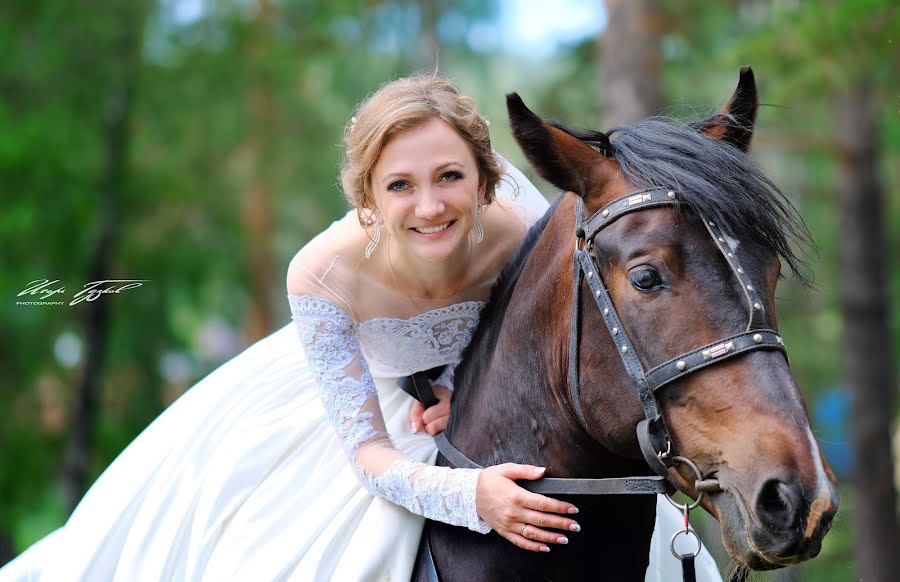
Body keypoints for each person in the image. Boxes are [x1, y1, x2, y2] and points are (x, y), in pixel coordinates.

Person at [1, 75, 721, 581]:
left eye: (449, 177)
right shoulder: (321, 274)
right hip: (369, 414)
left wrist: (460, 387)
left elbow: (541, 336)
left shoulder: (521, 223)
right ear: (369, 195)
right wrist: (474, 497)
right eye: (400, 185)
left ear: (484, 178)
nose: (430, 206)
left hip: (477, 397)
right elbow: (369, 458)